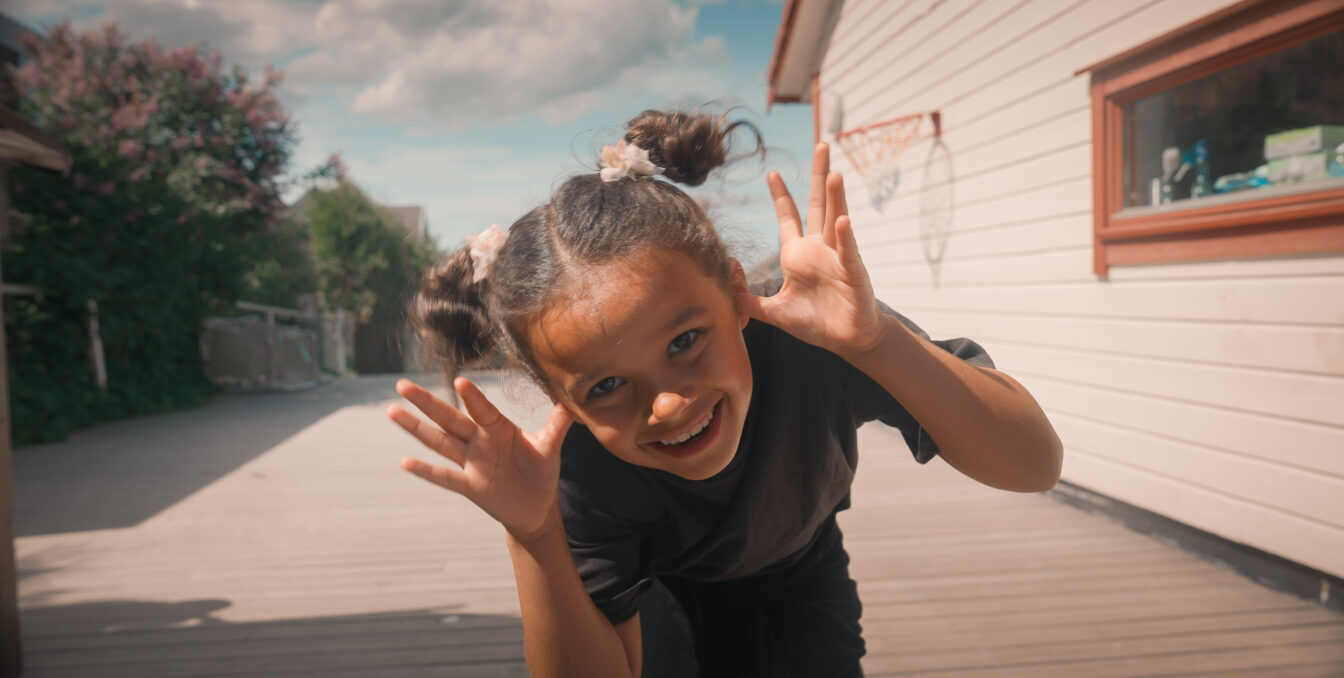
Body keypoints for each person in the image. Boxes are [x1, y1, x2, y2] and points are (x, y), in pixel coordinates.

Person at [387, 108, 1062, 678]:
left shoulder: (818, 335)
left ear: (738, 293)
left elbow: (1034, 464)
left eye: (685, 342)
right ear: (559, 400)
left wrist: (876, 344)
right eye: (609, 386)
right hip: (660, 591)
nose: (669, 405)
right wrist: (533, 534)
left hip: (801, 569)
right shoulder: (583, 469)